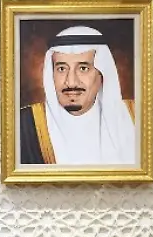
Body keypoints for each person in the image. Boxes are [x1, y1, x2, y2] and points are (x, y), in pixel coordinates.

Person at [18, 26, 138, 165]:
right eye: (61, 69)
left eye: (83, 68)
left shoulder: (136, 117)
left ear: (102, 74)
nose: (71, 82)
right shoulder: (23, 125)